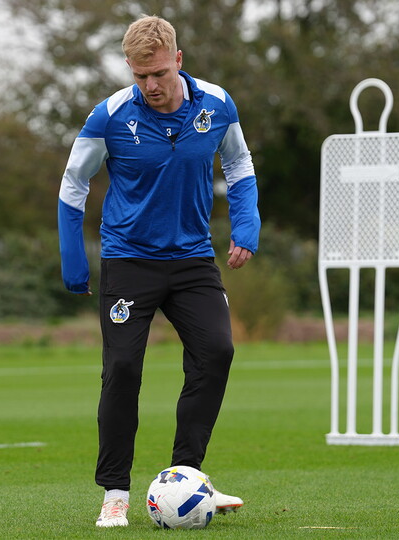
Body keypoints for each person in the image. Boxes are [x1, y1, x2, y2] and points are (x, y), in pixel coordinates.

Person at [57, 15, 260, 527]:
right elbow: (73, 184)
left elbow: (238, 166)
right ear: (130, 67)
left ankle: (185, 479)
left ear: (179, 60)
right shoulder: (109, 115)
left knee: (217, 352)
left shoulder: (217, 104)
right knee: (123, 368)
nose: (151, 86)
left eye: (160, 74)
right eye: (141, 75)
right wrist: (74, 256)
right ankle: (115, 493)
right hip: (128, 259)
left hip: (192, 259)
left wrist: (246, 227)